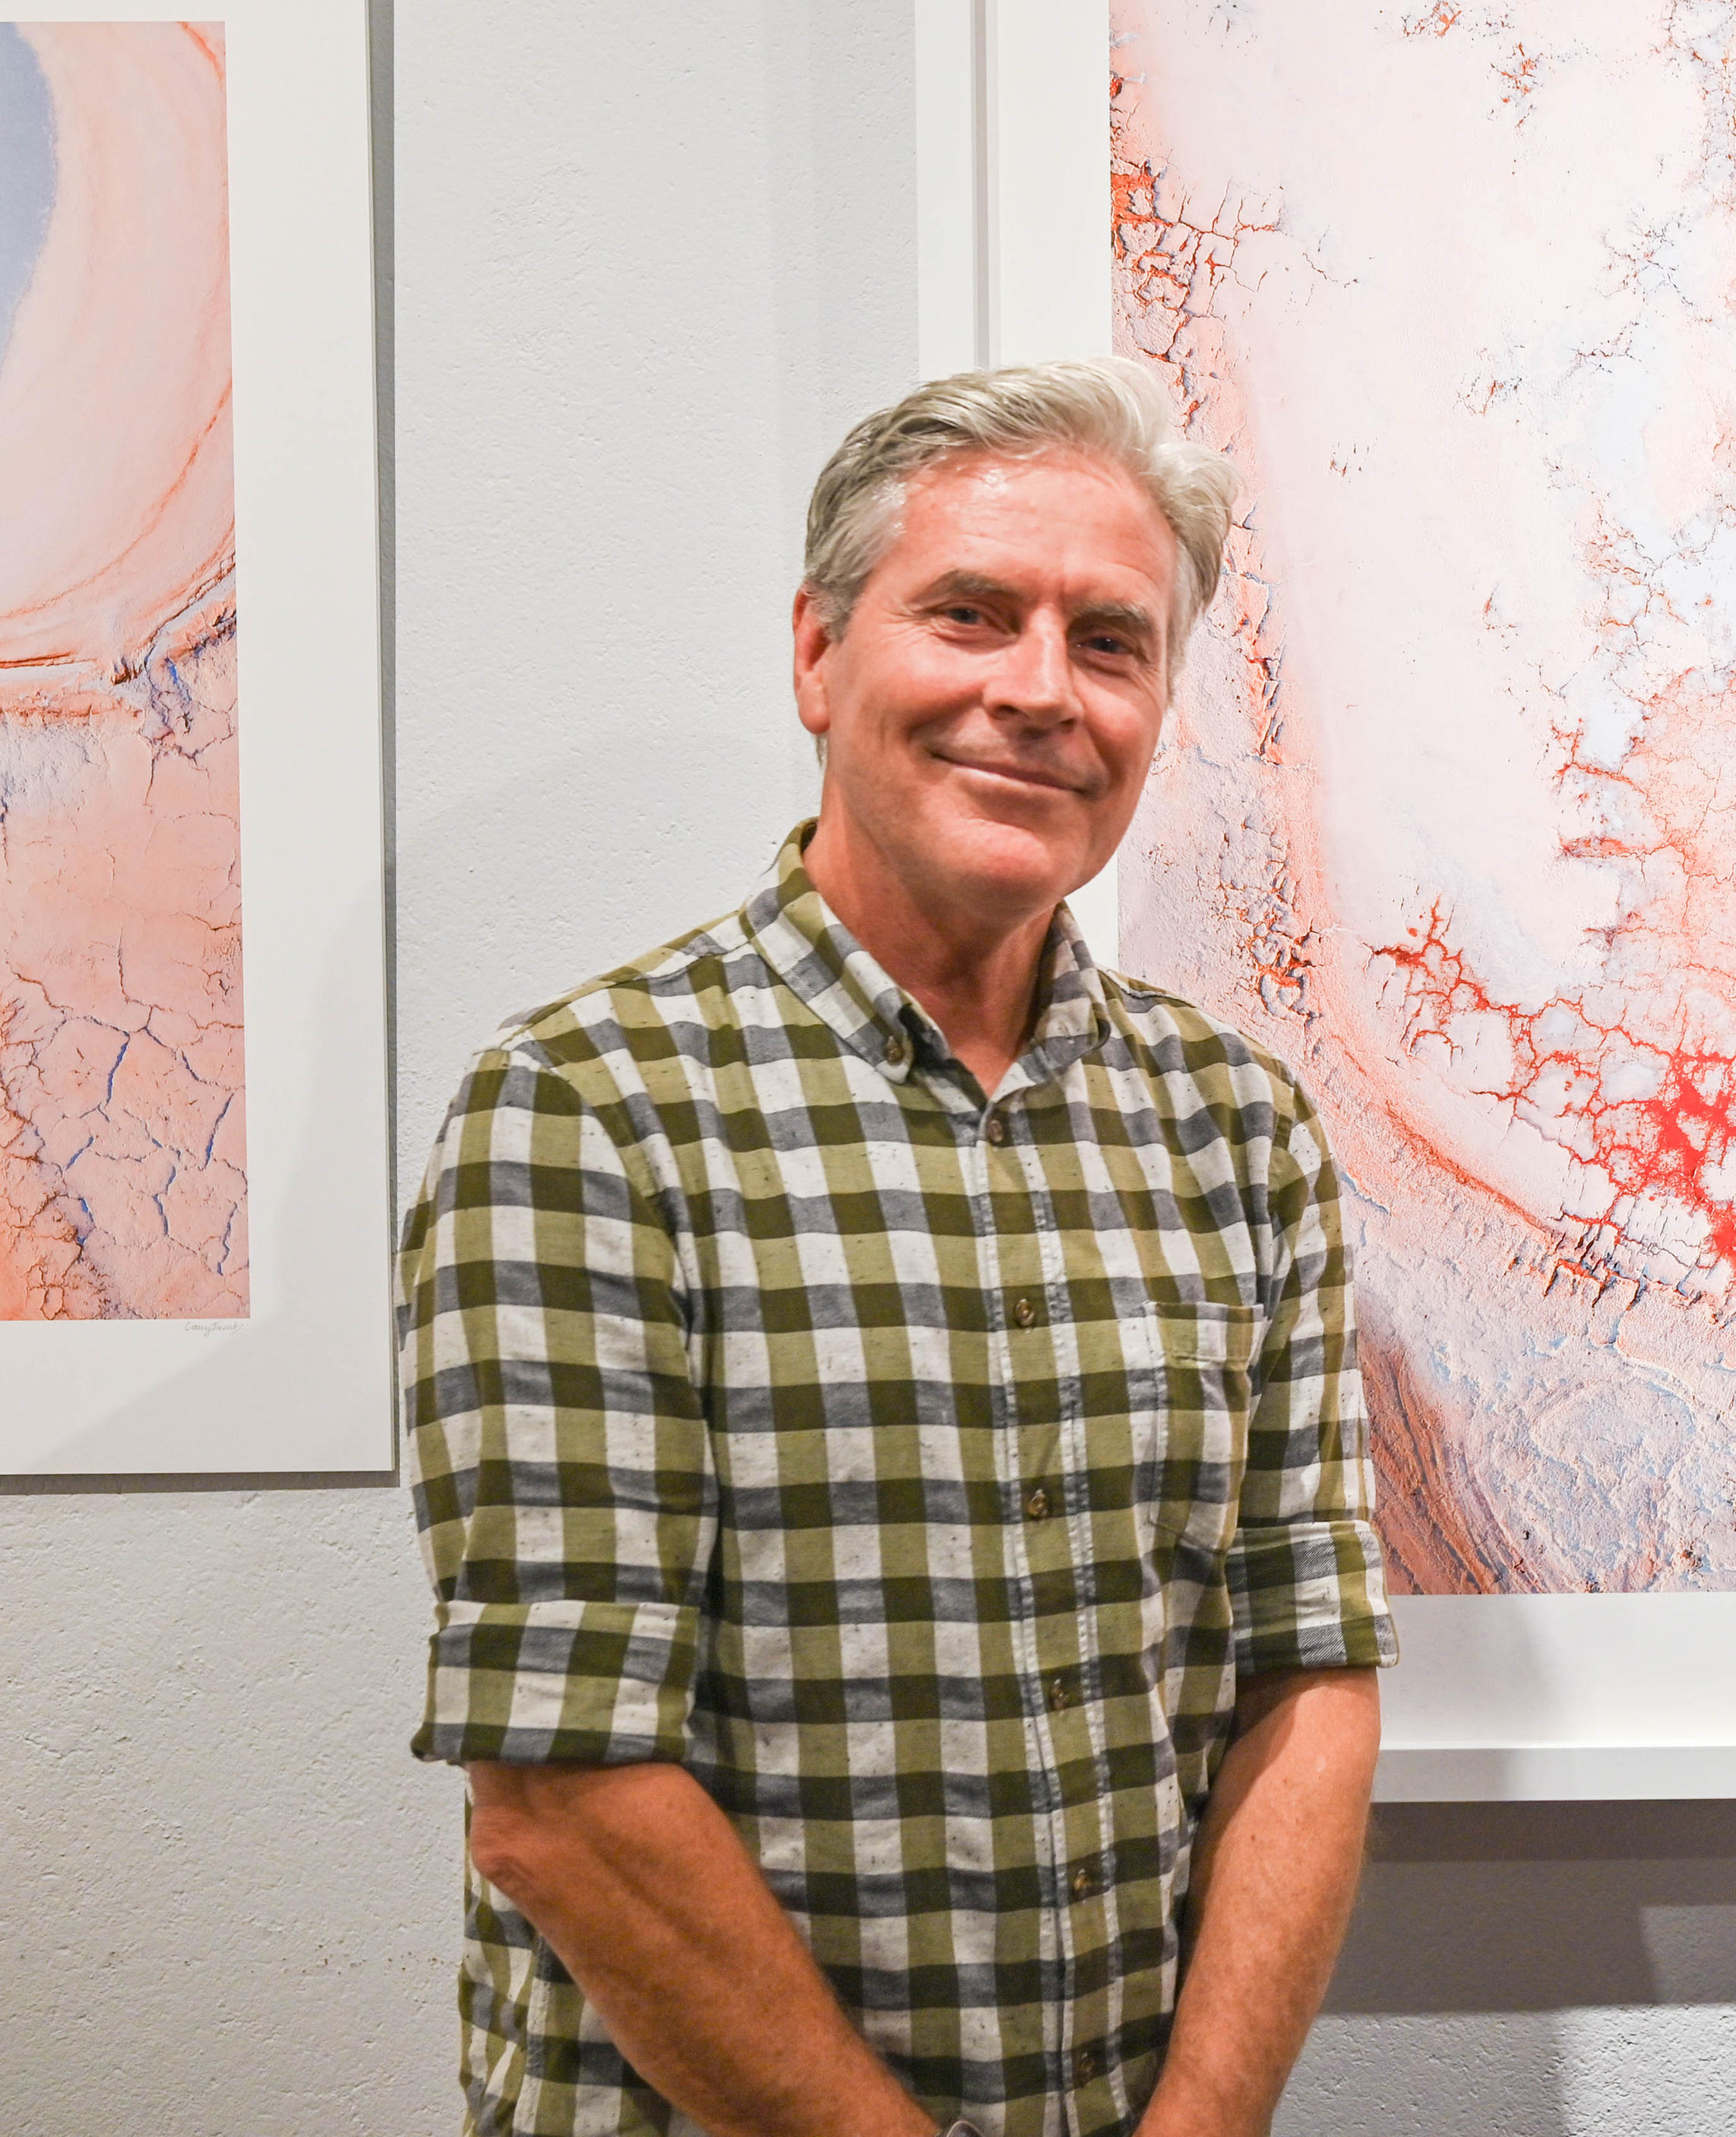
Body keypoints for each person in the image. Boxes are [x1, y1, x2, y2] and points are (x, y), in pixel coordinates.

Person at [400, 359, 1393, 2137]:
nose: (1039, 690)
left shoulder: (1237, 1125)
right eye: (967, 614)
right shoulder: (590, 1111)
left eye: (1110, 640)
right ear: (817, 655)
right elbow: (556, 1790)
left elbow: (1303, 1676)